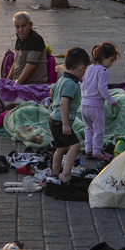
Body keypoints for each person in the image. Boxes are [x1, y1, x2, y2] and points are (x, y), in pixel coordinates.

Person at [49, 46, 88, 184]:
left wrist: (54, 104)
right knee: (76, 146)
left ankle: (55, 173)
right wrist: (66, 124)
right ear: (81, 68)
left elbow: (51, 93)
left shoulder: (62, 79)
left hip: (54, 119)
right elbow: (64, 103)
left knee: (60, 149)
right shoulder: (72, 84)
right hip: (61, 122)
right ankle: (65, 174)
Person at [80, 42, 120, 160]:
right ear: (103, 57)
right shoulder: (103, 71)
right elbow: (102, 88)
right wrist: (111, 100)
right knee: (99, 129)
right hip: (95, 106)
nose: (112, 64)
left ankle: (88, 149)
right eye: (111, 60)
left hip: (84, 105)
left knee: (88, 128)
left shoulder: (88, 68)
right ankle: (97, 151)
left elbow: (83, 84)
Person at [7, 11, 49, 85]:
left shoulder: (35, 39)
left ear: (30, 25)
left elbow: (30, 66)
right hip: (18, 83)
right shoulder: (19, 39)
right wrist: (6, 81)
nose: (20, 30)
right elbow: (15, 63)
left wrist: (16, 83)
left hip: (32, 84)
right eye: (17, 27)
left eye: (23, 26)